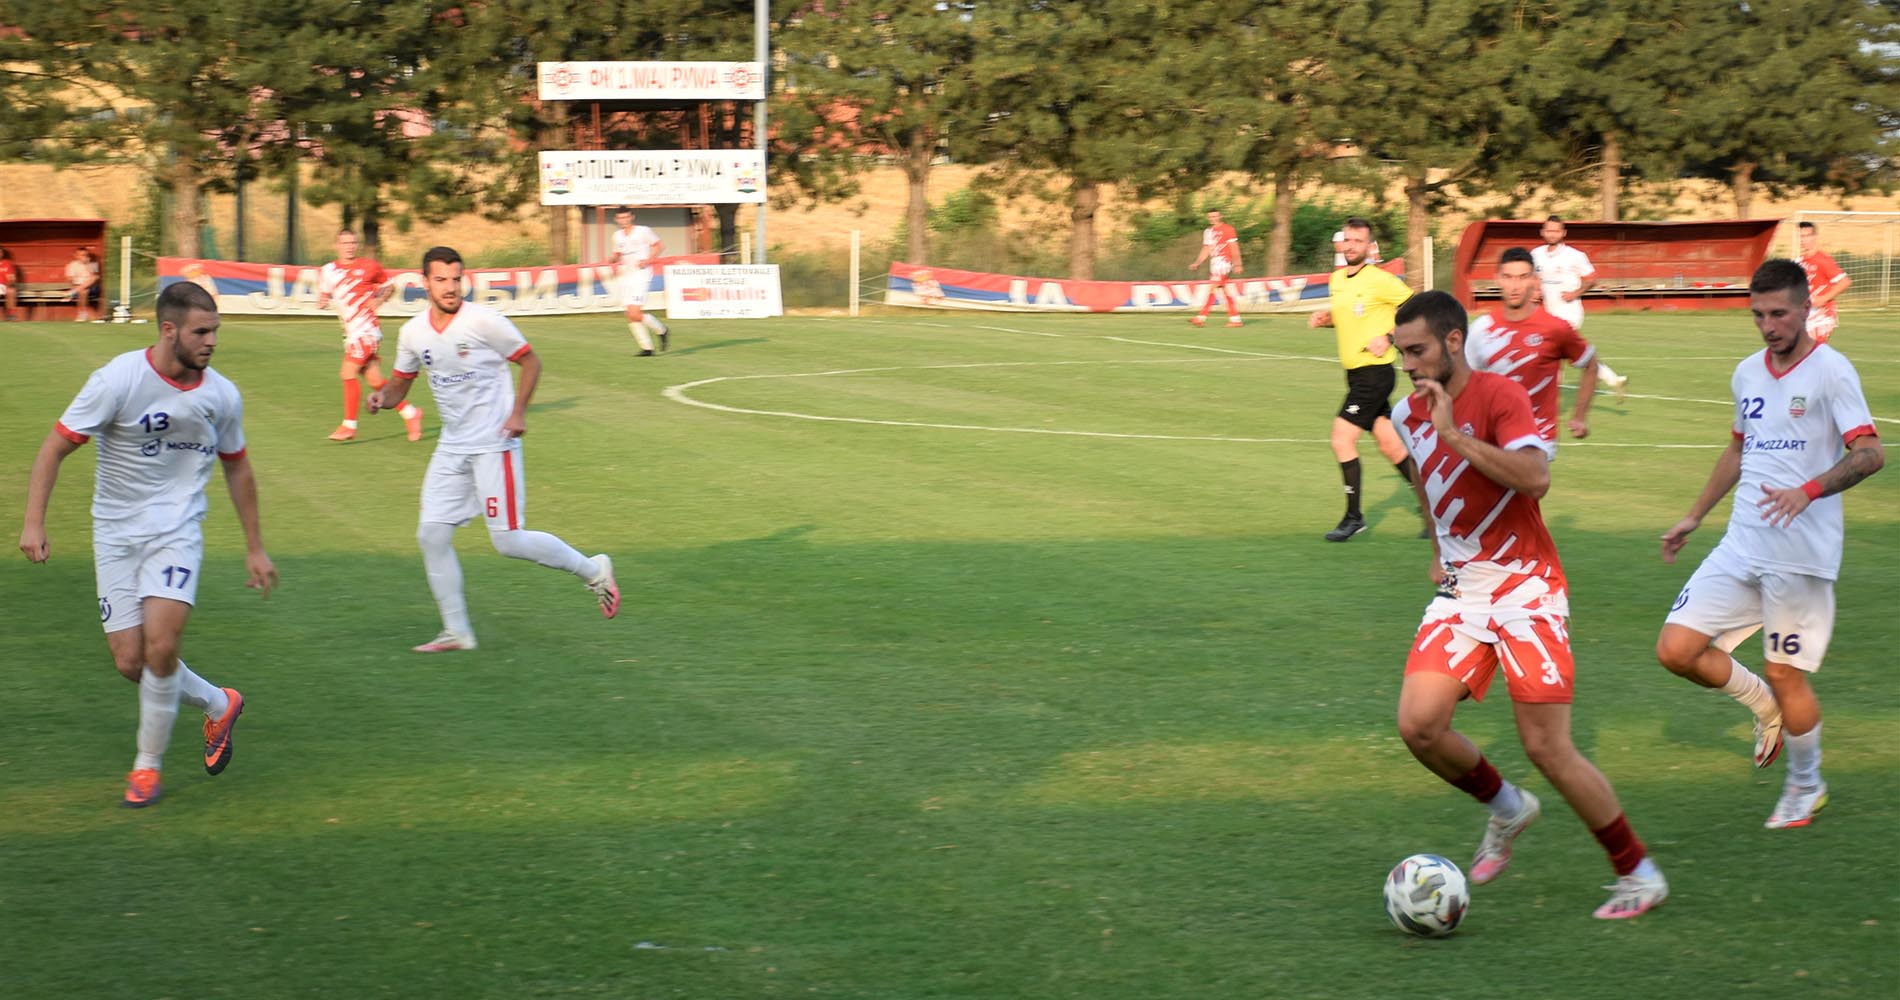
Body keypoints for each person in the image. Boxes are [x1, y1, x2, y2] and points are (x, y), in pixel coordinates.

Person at [1389, 289, 1668, 919]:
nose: (1408, 364)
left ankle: (1638, 872)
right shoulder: (1408, 413)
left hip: (1527, 588)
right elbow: (1423, 479)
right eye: (1401, 352)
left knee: (1547, 747)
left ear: (1453, 341)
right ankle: (1509, 808)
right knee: (1419, 726)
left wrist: (1453, 433)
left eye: (1418, 350)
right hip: (1463, 590)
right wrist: (1436, 545)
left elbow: (1535, 478)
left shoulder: (1500, 396)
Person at [19, 282, 277, 807]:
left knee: (161, 645)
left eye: (215, 331)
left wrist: (255, 546)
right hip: (114, 534)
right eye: (201, 332)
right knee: (130, 661)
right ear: (168, 330)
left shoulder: (222, 395)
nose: (211, 342)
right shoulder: (118, 380)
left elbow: (238, 468)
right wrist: (33, 522)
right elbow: (54, 448)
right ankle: (219, 703)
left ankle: (146, 769)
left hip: (177, 534)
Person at [1655, 259, 1883, 829]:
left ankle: (1806, 785)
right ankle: (1763, 707)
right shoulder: (1746, 374)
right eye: (1758, 315)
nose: (1768, 326)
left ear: (1807, 308)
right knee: (1676, 650)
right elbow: (1738, 450)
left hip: (1801, 555)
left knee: (1786, 672)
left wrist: (1808, 491)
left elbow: (1869, 453)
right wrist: (1693, 516)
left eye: (1779, 313)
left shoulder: (1831, 371)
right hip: (1741, 544)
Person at [368, 246, 621, 652]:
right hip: (452, 446)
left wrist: (518, 412)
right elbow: (400, 384)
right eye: (441, 280)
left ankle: (594, 570)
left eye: (456, 279)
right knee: (431, 535)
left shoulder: (484, 321)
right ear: (425, 282)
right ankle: (457, 632)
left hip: (493, 442)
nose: (450, 288)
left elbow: (531, 362)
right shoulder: (413, 333)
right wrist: (382, 397)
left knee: (507, 541)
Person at [1306, 218, 1421, 542]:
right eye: (1348, 240)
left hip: (1375, 374)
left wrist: (1389, 336)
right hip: (1355, 375)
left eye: (1359, 241)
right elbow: (1350, 318)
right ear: (1341, 243)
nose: (1352, 246)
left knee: (1341, 439)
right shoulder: (1337, 279)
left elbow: (1416, 310)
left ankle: (1354, 517)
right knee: (1391, 445)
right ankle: (1436, 507)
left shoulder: (1380, 280)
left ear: (1370, 247)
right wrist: (1327, 320)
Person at [1465, 247, 1601, 445]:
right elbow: (1462, 379)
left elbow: (1591, 364)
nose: (1515, 286)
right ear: (1498, 279)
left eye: (1522, 277)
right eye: (1508, 277)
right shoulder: (1481, 328)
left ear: (1534, 281)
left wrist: (1579, 416)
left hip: (1538, 438)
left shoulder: (1555, 328)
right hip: (1492, 435)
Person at [316, 228, 425, 443]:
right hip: (350, 333)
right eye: (344, 243)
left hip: (367, 331)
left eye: (352, 243)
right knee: (375, 380)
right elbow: (325, 292)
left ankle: (349, 425)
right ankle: (411, 413)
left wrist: (379, 299)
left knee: (347, 373)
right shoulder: (328, 270)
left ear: (357, 245)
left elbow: (390, 285)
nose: (349, 247)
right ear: (337, 245)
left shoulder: (369, 266)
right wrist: (322, 299)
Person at [1531, 216, 1628, 400]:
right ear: (1542, 232)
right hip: (1548, 313)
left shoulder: (1574, 255)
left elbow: (1592, 279)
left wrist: (1575, 293)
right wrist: (1536, 291)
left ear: (1563, 233)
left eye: (1556, 231)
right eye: (1549, 230)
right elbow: (1533, 277)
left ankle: (1550, 397)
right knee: (1569, 352)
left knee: (1553, 351)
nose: (1552, 234)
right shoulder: (1536, 254)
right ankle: (1613, 379)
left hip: (1569, 312)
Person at [609, 207, 670, 356]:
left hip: (641, 274)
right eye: (621, 218)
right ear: (616, 220)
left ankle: (661, 330)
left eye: (626, 217)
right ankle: (647, 348)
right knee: (630, 314)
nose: (624, 220)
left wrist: (648, 260)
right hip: (626, 275)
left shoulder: (643, 231)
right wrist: (613, 258)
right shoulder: (617, 236)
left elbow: (659, 246)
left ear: (632, 217)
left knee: (635, 312)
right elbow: (617, 253)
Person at [1796, 221, 1851, 344]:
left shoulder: (1823, 260)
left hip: (1823, 315)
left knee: (1807, 348)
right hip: (1807, 314)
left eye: (1807, 236)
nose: (1803, 240)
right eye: (1801, 236)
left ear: (1815, 237)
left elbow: (1845, 282)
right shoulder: (1799, 261)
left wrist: (1823, 299)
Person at [1188, 208, 1243, 328]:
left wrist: (1238, 263)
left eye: (1215, 216)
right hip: (1215, 263)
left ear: (1220, 216)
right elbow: (1206, 249)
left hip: (1224, 262)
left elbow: (1234, 247)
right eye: (1211, 217)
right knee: (1224, 290)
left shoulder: (1228, 229)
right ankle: (1235, 319)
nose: (1213, 219)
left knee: (1212, 288)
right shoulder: (1208, 232)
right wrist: (1197, 262)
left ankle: (1200, 318)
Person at [66, 246, 101, 322]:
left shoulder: (93, 264)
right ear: (76, 256)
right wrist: (74, 287)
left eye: (85, 255)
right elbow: (70, 280)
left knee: (94, 278)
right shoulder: (72, 265)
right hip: (78, 286)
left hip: (92, 287)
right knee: (84, 291)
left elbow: (94, 278)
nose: (83, 257)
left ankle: (81, 313)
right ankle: (83, 313)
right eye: (81, 255)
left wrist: (87, 264)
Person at [0, 247, 19, 320]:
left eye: (0, 252)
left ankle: (10, 314)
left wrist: (10, 283)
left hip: (3, 286)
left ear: (2, 254)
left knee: (11, 290)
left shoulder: (7, 263)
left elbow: (12, 277)